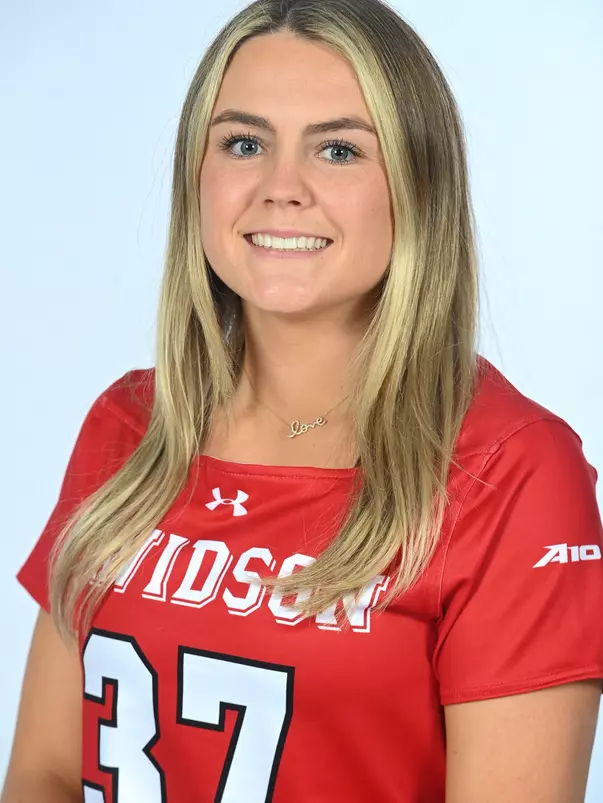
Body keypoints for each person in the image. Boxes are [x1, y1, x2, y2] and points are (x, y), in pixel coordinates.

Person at [3, 0, 603, 801]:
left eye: (338, 149)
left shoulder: (512, 472)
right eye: (244, 144)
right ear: (197, 177)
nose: (281, 188)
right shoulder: (131, 428)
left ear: (419, 184)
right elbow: (42, 772)